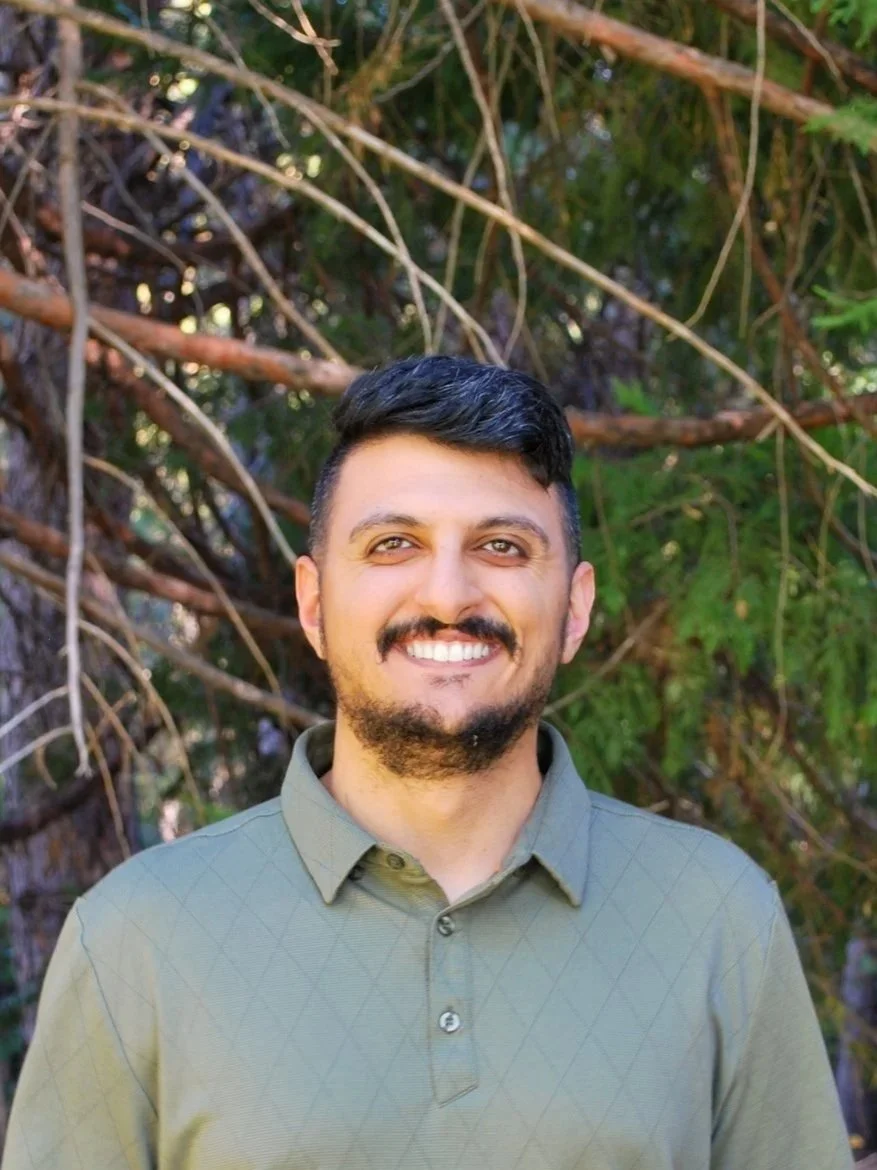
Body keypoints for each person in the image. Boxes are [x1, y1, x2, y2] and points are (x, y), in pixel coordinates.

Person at [3, 356, 853, 1170]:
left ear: (576, 607)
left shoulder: (717, 919)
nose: (447, 596)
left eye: (502, 548)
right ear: (313, 603)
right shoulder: (136, 942)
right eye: (393, 546)